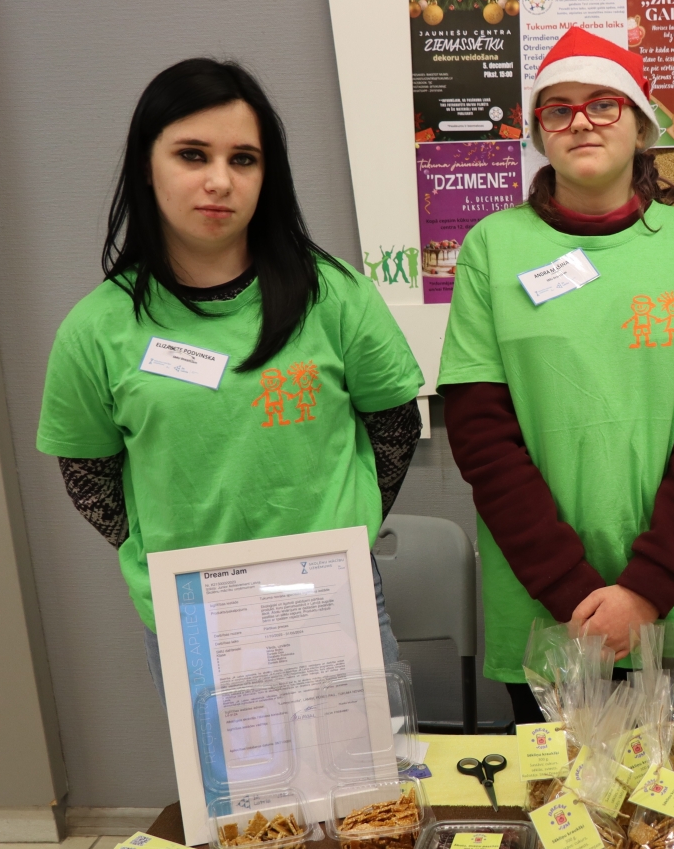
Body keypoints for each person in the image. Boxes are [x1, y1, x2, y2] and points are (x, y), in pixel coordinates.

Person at [37, 59, 425, 700]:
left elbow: (395, 426)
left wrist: (346, 528)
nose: (220, 181)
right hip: (195, 613)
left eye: (243, 159)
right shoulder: (96, 327)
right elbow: (87, 474)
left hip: (331, 595)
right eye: (192, 155)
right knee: (234, 772)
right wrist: (169, 550)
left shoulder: (334, 295)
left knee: (362, 770)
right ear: (146, 164)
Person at [437, 28, 674, 721]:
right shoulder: (493, 247)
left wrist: (645, 591)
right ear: (539, 134)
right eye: (558, 109)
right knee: (562, 789)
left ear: (641, 127)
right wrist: (571, 592)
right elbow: (482, 437)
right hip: (545, 607)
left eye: (603, 104)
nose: (580, 121)